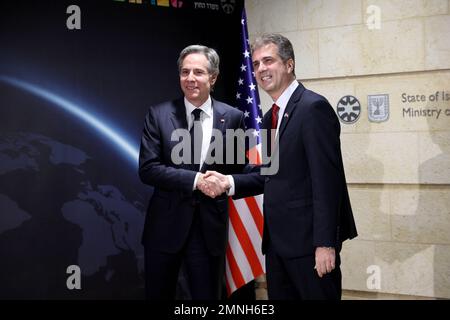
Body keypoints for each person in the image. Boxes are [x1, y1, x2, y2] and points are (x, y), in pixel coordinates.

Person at [204, 34, 358, 300]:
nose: (261, 68)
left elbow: (327, 183)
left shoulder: (313, 108)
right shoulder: (269, 118)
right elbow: (269, 174)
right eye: (256, 64)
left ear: (289, 64)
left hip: (310, 248)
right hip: (277, 247)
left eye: (268, 60)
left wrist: (325, 244)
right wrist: (229, 182)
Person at [138, 44, 245, 299]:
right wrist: (196, 180)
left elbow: (238, 170)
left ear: (213, 77)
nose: (190, 79)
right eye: (185, 72)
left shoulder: (233, 117)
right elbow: (148, 169)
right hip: (164, 228)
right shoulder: (159, 115)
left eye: (198, 72)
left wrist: (226, 182)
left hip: (209, 231)